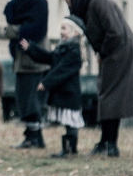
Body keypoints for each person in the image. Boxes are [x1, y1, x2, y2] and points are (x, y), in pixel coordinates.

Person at [63, 0, 133, 157]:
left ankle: (110, 143)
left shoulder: (98, 2)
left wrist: (102, 52)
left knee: (111, 97)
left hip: (118, 52)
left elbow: (115, 32)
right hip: (113, 51)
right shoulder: (91, 3)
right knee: (108, 96)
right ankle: (106, 141)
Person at [20, 14, 87, 158]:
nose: (61, 32)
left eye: (64, 29)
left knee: (70, 122)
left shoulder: (74, 51)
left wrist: (45, 83)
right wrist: (32, 48)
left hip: (69, 93)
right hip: (64, 92)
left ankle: (70, 150)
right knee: (67, 122)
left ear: (75, 33)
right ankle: (68, 149)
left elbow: (61, 70)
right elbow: (49, 58)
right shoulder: (63, 48)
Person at [5, 0, 49, 148]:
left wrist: (13, 31)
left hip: (34, 57)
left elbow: (36, 29)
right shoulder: (18, 3)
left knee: (31, 99)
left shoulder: (38, 2)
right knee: (23, 98)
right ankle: (34, 137)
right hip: (21, 57)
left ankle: (34, 138)